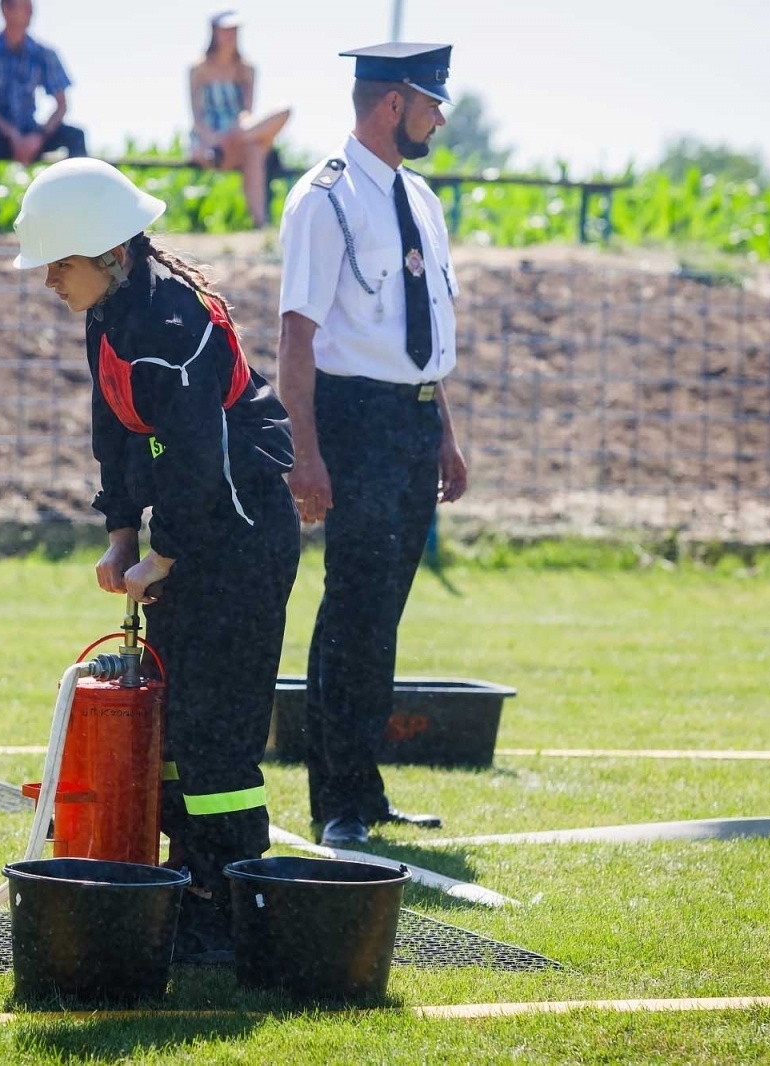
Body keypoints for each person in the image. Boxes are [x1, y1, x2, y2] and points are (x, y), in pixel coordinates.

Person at [13, 158, 300, 961]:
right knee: (174, 722)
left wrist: (163, 551)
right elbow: (120, 434)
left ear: (106, 253)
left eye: (56, 266)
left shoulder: (171, 325)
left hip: (238, 539)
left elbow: (195, 459)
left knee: (217, 734)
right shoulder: (111, 313)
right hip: (196, 533)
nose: (47, 283)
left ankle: (233, 896)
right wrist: (121, 537)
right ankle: (193, 877)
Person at [276, 43, 469, 848]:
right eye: (431, 101)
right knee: (351, 614)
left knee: (379, 616)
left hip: (413, 422)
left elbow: (421, 331)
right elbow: (296, 336)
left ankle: (366, 788)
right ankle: (338, 803)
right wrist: (306, 454)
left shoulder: (420, 198)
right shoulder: (324, 199)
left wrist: (446, 435)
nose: (438, 116)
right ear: (392, 102)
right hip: (351, 423)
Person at [0, 0, 88, 231]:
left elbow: (61, 105)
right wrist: (13, 135)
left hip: (31, 133)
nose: (31, 10)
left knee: (76, 136)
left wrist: (39, 135)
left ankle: (78, 213)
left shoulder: (43, 53)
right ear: (5, 9)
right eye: (23, 5)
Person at [187, 11, 291, 230]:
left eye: (234, 30)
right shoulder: (198, 69)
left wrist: (235, 134)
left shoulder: (247, 69)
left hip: (240, 134)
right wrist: (214, 140)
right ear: (214, 32)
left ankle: (259, 225)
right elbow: (197, 117)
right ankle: (261, 224)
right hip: (209, 143)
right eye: (226, 30)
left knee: (283, 112)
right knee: (256, 148)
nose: (230, 35)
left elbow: (247, 112)